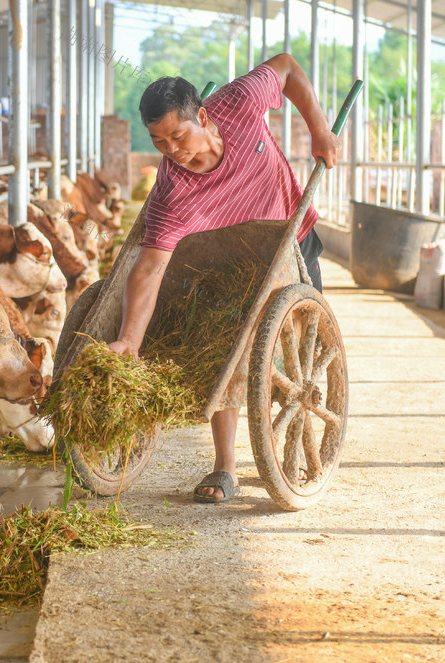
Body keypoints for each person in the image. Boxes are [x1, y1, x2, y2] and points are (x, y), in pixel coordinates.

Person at [105, 53, 341, 503]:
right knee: (226, 346)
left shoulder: (239, 103)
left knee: (304, 353)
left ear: (205, 115)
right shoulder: (173, 193)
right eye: (159, 142)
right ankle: (225, 467)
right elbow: (150, 267)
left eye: (177, 135)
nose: (172, 151)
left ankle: (295, 439)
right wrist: (130, 341)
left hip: (292, 237)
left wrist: (319, 130)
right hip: (235, 264)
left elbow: (288, 68)